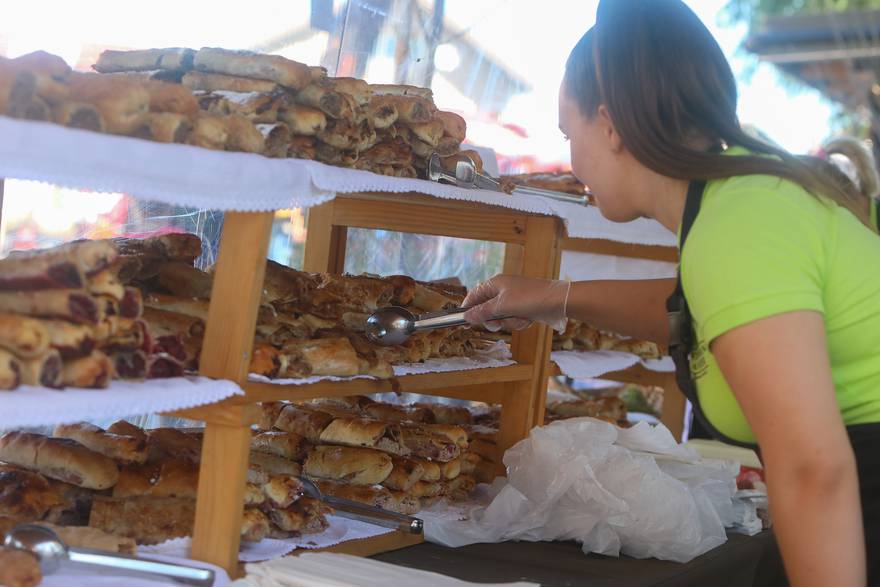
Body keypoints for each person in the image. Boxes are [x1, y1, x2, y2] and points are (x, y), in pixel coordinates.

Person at [461, 1, 880, 585]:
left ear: (609, 125)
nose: (571, 158)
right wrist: (553, 296)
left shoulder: (739, 224)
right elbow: (706, 309)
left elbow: (813, 470)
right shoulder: (740, 201)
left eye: (568, 132)